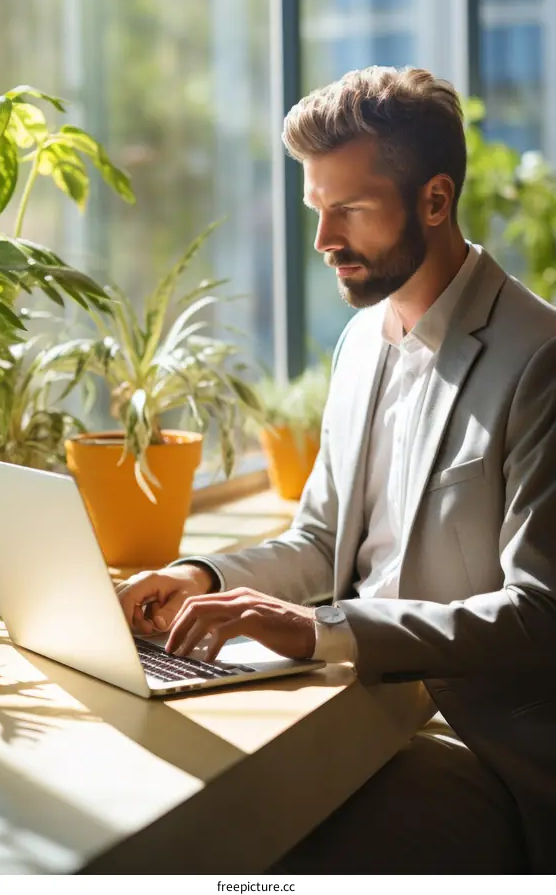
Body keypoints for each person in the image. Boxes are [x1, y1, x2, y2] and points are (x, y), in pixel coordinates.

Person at [117, 67, 556, 874]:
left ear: (434, 199)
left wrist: (326, 628)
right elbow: (323, 540)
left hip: (488, 748)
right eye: (317, 209)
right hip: (369, 708)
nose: (323, 241)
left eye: (349, 209)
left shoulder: (540, 358)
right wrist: (200, 575)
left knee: (247, 848)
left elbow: (541, 612)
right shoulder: (361, 344)